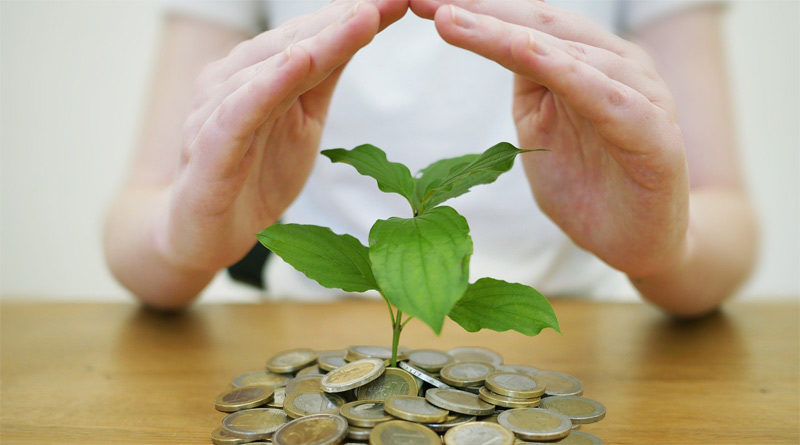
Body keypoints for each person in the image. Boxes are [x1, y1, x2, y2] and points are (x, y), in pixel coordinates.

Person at [103, 0, 757, 317]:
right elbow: (137, 217)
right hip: (305, 343)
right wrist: (183, 237)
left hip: (581, 345)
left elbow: (725, 211)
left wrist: (665, 247)